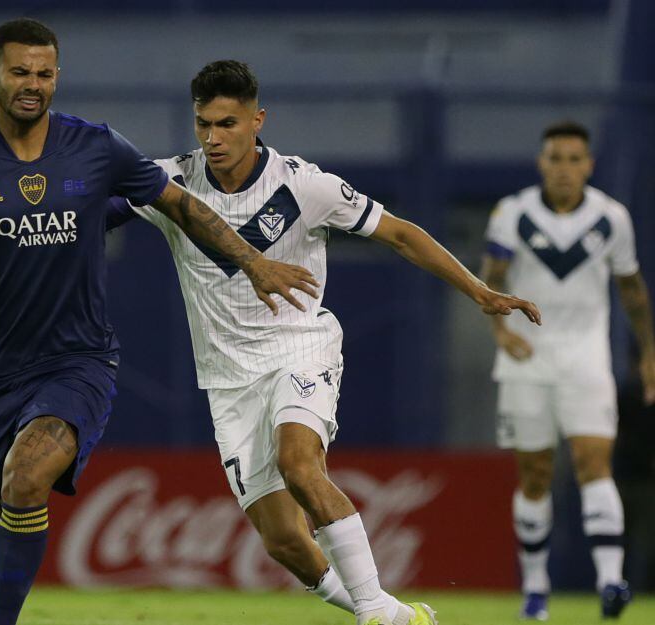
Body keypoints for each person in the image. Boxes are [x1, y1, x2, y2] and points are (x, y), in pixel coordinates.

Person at [0, 20, 317, 625]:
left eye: (44, 73)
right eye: (19, 72)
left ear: (57, 78)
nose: (32, 84)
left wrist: (254, 261)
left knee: (26, 478)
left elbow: (182, 205)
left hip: (75, 363)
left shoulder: (97, 147)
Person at [107, 60, 541, 625]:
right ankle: (390, 612)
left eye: (227, 124)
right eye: (203, 124)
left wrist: (479, 290)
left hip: (299, 349)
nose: (213, 138)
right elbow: (94, 210)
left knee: (300, 465)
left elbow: (400, 234)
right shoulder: (171, 183)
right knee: (283, 541)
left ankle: (372, 613)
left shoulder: (303, 185)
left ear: (257, 120)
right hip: (229, 379)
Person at [480, 120, 655, 620]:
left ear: (589, 165)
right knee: (535, 475)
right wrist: (501, 333)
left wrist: (648, 351)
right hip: (526, 361)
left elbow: (632, 289)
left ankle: (611, 582)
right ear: (542, 163)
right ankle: (536, 589)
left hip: (586, 359)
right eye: (555, 158)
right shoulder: (512, 214)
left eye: (574, 159)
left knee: (594, 463)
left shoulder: (611, 218)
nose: (564, 168)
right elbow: (490, 280)